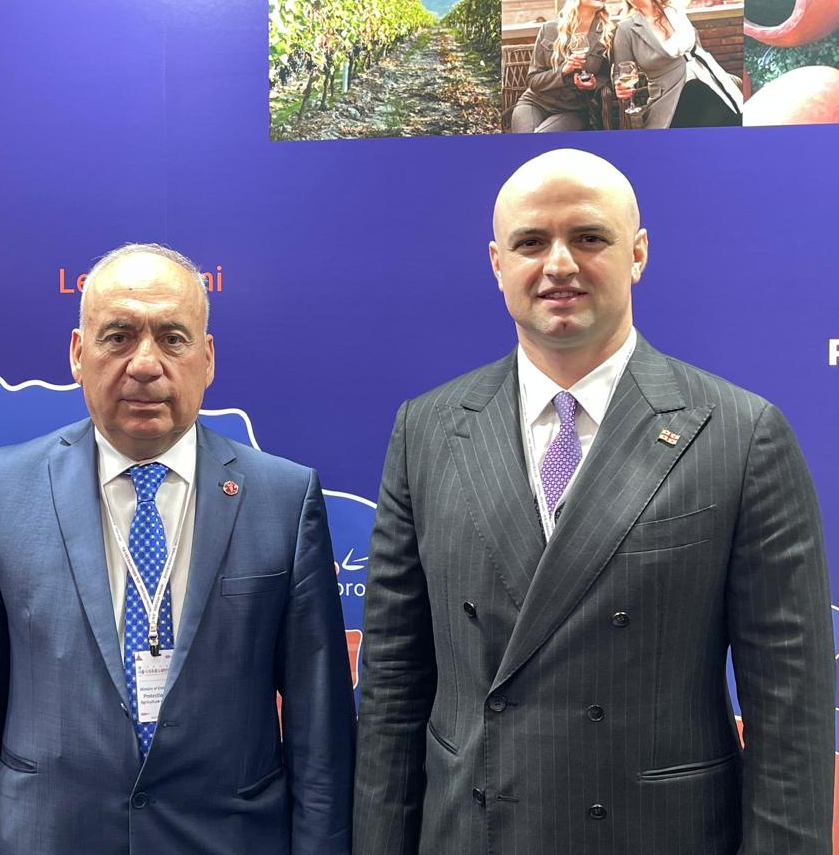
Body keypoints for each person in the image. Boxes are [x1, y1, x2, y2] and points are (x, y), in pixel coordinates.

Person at [352, 149, 833, 854]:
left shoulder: (740, 433)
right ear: (497, 263)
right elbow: (393, 685)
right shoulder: (425, 429)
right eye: (530, 242)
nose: (559, 265)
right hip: (473, 831)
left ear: (637, 253)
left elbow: (792, 705)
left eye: (588, 238)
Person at [0, 243, 355, 855]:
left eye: (172, 339)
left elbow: (321, 738)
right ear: (78, 354)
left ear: (207, 359)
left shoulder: (282, 499)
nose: (146, 364)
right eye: (119, 337)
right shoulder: (3, 490)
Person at [611, 0, 743, 128]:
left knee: (713, 103)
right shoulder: (626, 29)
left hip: (708, 79)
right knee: (698, 95)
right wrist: (621, 87)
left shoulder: (674, 6)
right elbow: (621, 72)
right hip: (668, 98)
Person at [510, 0, 611, 133]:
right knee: (525, 141)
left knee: (541, 138)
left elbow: (606, 77)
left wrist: (593, 85)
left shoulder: (607, 35)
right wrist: (563, 71)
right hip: (535, 102)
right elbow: (533, 80)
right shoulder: (549, 29)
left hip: (572, 110)